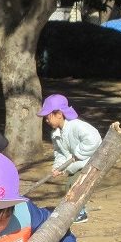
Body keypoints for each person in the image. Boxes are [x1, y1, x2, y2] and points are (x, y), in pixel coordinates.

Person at [38, 93, 101, 224]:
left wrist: (78, 154)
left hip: (88, 162)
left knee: (74, 186)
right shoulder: (56, 134)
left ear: (59, 114)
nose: (46, 120)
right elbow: (60, 153)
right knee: (69, 186)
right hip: (75, 165)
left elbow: (94, 139)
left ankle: (80, 213)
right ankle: (75, 210)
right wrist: (58, 167)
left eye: (48, 117)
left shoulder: (76, 125)